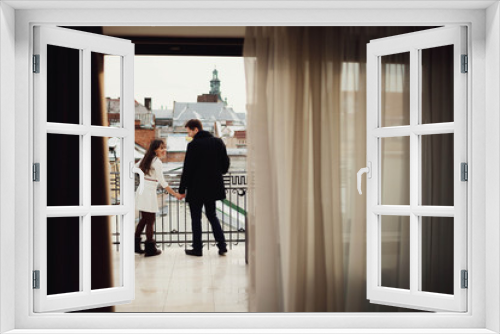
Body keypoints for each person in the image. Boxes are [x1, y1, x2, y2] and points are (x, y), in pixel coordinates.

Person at [179, 119, 230, 257]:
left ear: (196, 129)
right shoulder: (218, 142)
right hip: (213, 187)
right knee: (212, 216)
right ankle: (222, 246)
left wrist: (182, 189)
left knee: (196, 218)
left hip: (196, 188)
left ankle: (197, 248)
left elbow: (187, 169)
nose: (188, 134)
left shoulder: (193, 145)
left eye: (189, 131)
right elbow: (225, 165)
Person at [135, 139, 183, 257]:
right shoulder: (157, 162)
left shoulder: (146, 158)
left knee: (144, 219)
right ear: (155, 149)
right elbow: (162, 182)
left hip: (142, 190)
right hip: (148, 192)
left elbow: (134, 168)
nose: (164, 150)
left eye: (164, 147)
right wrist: (175, 194)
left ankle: (136, 246)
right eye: (161, 148)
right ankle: (150, 249)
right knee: (150, 221)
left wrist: (143, 177)